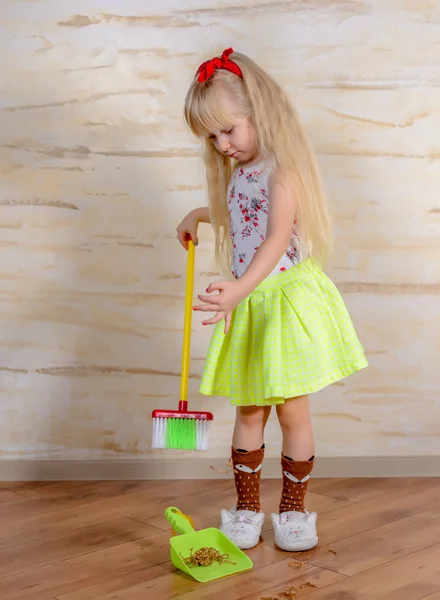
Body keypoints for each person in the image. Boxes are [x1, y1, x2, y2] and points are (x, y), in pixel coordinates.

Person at [176, 48, 368, 552]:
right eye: (212, 137)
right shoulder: (241, 170)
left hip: (281, 303)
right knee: (249, 412)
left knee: (292, 413)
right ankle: (245, 509)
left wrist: (239, 288)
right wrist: (200, 213)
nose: (222, 145)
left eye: (229, 131)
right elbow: (243, 219)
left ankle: (294, 511)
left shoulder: (284, 170)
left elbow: (276, 237)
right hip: (253, 306)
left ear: (258, 114)